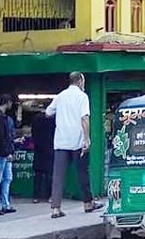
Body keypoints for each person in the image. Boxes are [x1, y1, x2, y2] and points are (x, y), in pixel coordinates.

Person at [46, 72, 103, 218]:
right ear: (80, 81)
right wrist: (87, 139)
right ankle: (88, 204)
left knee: (58, 175)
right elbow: (84, 118)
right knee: (82, 172)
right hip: (77, 140)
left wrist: (62, 115)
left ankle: (55, 209)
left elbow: (48, 112)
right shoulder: (82, 97)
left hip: (61, 141)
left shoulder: (60, 96)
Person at [31, 111, 55, 204]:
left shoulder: (36, 119)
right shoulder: (52, 120)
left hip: (38, 149)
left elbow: (33, 133)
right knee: (49, 174)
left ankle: (36, 196)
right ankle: (49, 196)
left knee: (38, 175)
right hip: (49, 149)